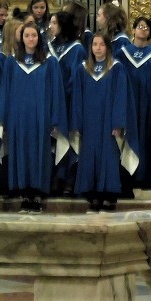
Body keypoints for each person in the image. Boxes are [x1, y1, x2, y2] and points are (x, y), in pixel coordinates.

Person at [0, 23, 67, 213]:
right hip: (18, 117)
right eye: (27, 35)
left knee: (39, 154)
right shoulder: (12, 62)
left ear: (39, 37)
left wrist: (55, 118)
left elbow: (56, 92)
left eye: (34, 35)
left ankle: (37, 196)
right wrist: (4, 117)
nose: (30, 39)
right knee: (20, 154)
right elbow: (5, 91)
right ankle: (25, 196)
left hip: (41, 118)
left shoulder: (50, 62)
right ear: (22, 38)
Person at [70, 33, 135, 213]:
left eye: (101, 44)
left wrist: (118, 123)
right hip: (89, 122)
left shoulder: (116, 68)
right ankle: (93, 195)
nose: (98, 48)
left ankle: (109, 196)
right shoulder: (83, 69)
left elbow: (121, 96)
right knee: (89, 156)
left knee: (108, 156)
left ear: (108, 47)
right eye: (95, 44)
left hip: (108, 123)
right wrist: (77, 123)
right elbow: (77, 98)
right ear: (90, 48)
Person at [117, 17, 151, 199]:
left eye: (146, 27)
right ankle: (126, 183)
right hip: (128, 108)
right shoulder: (121, 55)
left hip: (149, 110)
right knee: (127, 142)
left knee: (150, 143)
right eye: (140, 26)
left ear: (150, 32)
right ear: (133, 30)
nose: (143, 29)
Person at [47, 11, 87, 196]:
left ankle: (69, 179)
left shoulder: (76, 49)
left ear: (63, 25)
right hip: (52, 100)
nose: (51, 26)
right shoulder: (49, 47)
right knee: (53, 138)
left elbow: (76, 77)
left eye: (54, 23)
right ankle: (54, 177)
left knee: (70, 137)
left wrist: (63, 93)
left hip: (69, 100)